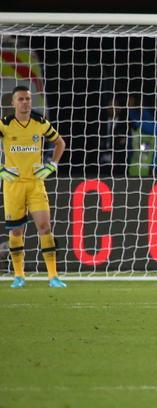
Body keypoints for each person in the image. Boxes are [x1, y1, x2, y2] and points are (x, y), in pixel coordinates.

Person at [0, 86, 67, 288]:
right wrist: (1, 169)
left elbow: (60, 143)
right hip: (13, 186)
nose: (25, 102)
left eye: (28, 99)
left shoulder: (40, 123)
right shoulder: (5, 124)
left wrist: (51, 165)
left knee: (45, 227)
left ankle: (53, 276)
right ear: (13, 103)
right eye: (20, 99)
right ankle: (19, 275)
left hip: (35, 184)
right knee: (17, 232)